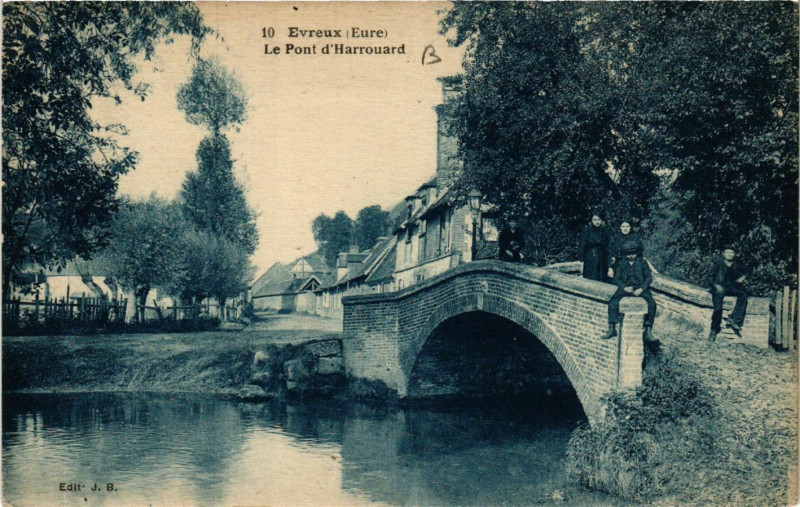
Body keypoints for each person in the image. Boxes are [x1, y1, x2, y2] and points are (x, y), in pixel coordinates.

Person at [602, 240, 657, 341]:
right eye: (628, 253)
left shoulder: (643, 263)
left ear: (637, 253)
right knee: (613, 302)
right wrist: (624, 288)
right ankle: (612, 328)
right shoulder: (621, 263)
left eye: (633, 253)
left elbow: (649, 278)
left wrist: (641, 289)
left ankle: (648, 330)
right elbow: (616, 279)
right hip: (626, 287)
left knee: (652, 303)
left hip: (640, 287)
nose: (631, 256)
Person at [707, 244, 749, 343]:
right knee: (718, 308)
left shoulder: (736, 264)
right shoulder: (718, 263)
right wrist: (715, 285)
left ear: (734, 254)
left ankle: (735, 320)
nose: (729, 254)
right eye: (727, 252)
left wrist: (743, 277)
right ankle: (714, 329)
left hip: (730, 288)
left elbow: (748, 270)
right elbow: (709, 277)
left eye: (732, 252)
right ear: (723, 254)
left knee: (743, 295)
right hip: (718, 288)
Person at [578, 213, 610, 282]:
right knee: (591, 278)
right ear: (591, 221)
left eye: (599, 219)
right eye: (595, 219)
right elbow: (581, 246)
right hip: (590, 258)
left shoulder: (605, 232)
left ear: (602, 221)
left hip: (602, 259)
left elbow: (608, 247)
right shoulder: (586, 231)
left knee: (602, 278)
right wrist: (582, 261)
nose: (597, 222)